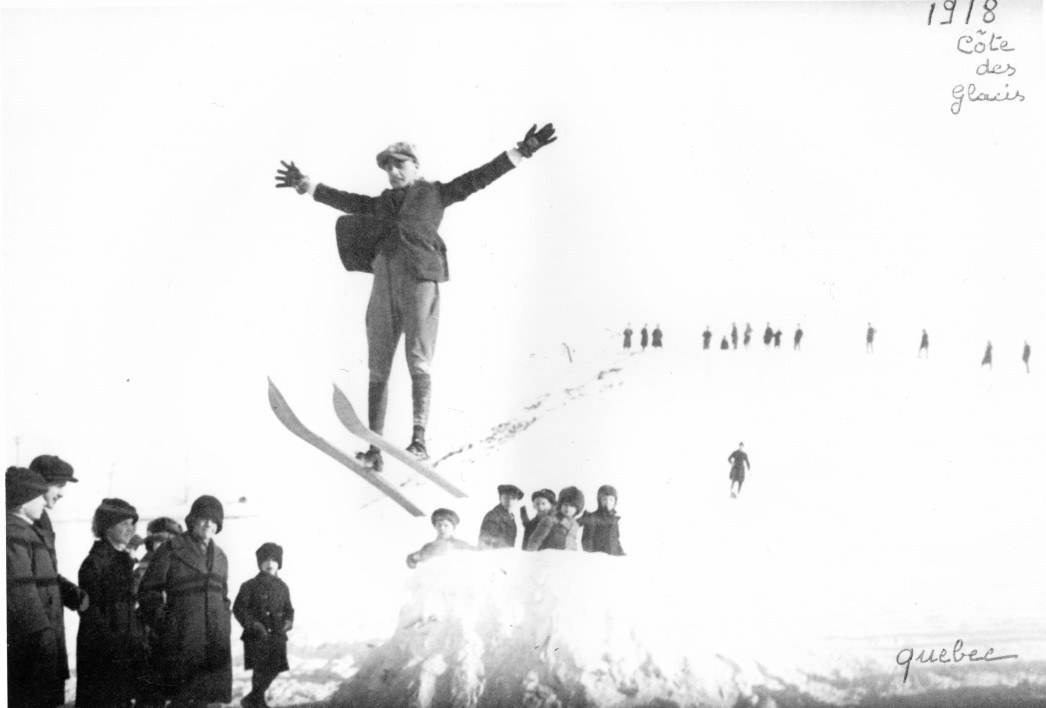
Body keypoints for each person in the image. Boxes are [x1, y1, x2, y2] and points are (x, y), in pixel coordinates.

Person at [276, 124, 557, 471]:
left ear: (415, 166)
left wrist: (521, 151)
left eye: (399, 165)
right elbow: (347, 201)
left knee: (418, 358)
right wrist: (310, 186)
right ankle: (374, 449)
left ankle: (419, 441)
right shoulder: (380, 203)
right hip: (384, 277)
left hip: (420, 278)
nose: (393, 172)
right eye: (388, 167)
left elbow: (478, 178)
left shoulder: (435, 194)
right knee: (378, 361)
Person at [139, 494, 233, 707]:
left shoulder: (221, 557)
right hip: (182, 642)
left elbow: (223, 597)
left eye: (215, 520)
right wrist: (168, 624)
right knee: (183, 700)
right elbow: (148, 592)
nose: (209, 524)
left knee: (208, 700)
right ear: (192, 520)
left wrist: (224, 619)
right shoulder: (171, 549)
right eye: (204, 518)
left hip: (215, 643)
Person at [76, 498, 149, 708]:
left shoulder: (122, 559)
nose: (131, 529)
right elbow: (90, 612)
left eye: (132, 523)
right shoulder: (95, 563)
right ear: (107, 526)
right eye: (124, 523)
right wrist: (113, 646)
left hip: (124, 648)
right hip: (103, 653)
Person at [7, 466, 68, 708]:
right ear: (22, 502)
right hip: (34, 645)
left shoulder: (26, 530)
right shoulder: (13, 533)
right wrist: (43, 636)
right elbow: (21, 590)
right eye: (38, 495)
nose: (45, 500)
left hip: (42, 640)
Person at [233, 543, 295, 708]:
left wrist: (289, 621)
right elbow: (239, 608)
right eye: (265, 560)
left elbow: (289, 609)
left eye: (274, 560)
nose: (269, 564)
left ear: (279, 563)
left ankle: (253, 698)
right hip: (256, 635)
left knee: (274, 667)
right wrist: (252, 624)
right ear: (259, 563)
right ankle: (257, 701)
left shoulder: (283, 587)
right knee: (260, 670)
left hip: (277, 635)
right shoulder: (249, 586)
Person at [29, 455, 88, 619]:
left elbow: (44, 572)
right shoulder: (18, 521)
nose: (62, 493)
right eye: (59, 485)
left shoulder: (42, 518)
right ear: (39, 483)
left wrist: (73, 595)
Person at [406, 508, 474, 568]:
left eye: (446, 525)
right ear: (435, 526)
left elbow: (471, 560)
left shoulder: (461, 545)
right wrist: (413, 558)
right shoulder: (428, 547)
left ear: (453, 527)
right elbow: (413, 561)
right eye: (439, 525)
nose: (442, 528)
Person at [525, 487, 585, 551]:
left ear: (578, 508)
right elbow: (535, 540)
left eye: (572, 506)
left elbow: (572, 542)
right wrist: (530, 555)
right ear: (560, 505)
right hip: (547, 556)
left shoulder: (575, 525)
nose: (568, 508)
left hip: (566, 557)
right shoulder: (550, 520)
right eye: (565, 504)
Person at [581, 485, 624, 556]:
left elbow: (616, 540)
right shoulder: (593, 517)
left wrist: (621, 553)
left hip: (613, 557)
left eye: (611, 499)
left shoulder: (614, 520)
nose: (608, 502)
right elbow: (587, 540)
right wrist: (590, 556)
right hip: (598, 557)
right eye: (604, 499)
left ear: (615, 501)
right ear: (599, 501)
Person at [478, 484, 524, 549]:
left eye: (513, 498)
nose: (510, 501)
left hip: (504, 555)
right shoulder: (493, 515)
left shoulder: (511, 516)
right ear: (500, 498)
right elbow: (487, 541)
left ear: (517, 501)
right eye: (506, 497)